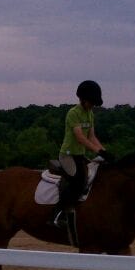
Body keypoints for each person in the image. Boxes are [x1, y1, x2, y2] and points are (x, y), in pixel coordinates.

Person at [54, 80, 113, 228]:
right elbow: (80, 137)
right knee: (78, 179)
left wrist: (105, 152)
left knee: (94, 176)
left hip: (79, 155)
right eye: (91, 102)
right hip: (67, 155)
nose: (92, 105)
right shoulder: (73, 113)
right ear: (83, 99)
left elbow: (92, 137)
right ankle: (59, 213)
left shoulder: (90, 114)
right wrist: (97, 151)